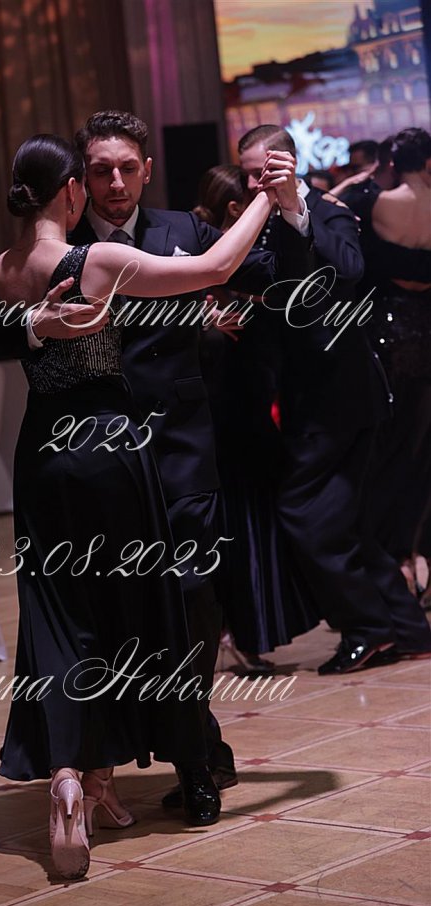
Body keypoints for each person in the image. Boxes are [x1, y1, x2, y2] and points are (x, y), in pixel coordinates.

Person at [0, 110, 313, 820]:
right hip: (106, 460)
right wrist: (32, 325)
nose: (116, 182)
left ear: (148, 170)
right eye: (100, 170)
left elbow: (267, 273)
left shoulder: (181, 229)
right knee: (108, 612)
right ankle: (114, 765)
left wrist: (291, 212)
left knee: (186, 606)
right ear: (76, 182)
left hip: (175, 454)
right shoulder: (68, 252)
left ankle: (186, 756)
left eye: (128, 168)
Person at [238, 124, 431, 674]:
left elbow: (348, 269)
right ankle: (407, 628)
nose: (252, 183)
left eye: (261, 171)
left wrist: (295, 214)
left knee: (306, 514)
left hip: (341, 393)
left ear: (289, 163)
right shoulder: (255, 219)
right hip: (310, 393)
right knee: (349, 520)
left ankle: (368, 628)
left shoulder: (326, 210)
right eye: (246, 173)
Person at [194, 165, 319, 665]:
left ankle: (241, 630)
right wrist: (199, 319)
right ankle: (239, 631)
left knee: (251, 522)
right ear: (233, 209)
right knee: (241, 524)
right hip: (230, 418)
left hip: (247, 410)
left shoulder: (237, 257)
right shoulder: (205, 256)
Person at [341, 128, 431, 613]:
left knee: (381, 452)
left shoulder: (373, 202)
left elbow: (329, 211)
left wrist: (356, 180)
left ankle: (383, 564)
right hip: (427, 332)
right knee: (419, 450)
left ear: (391, 161)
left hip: (384, 334)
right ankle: (410, 554)